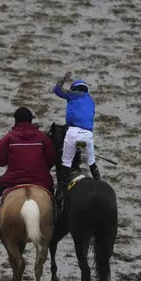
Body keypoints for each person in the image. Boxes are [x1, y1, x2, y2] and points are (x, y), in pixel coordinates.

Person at [0, 107, 57, 235]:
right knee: (54, 198)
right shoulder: (42, 138)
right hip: (40, 179)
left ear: (15, 120)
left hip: (13, 179)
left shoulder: (9, 138)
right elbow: (52, 158)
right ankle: (55, 222)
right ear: (31, 120)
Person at [52, 70, 100, 203]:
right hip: (87, 136)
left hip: (72, 134)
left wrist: (64, 77)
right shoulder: (91, 101)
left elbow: (57, 90)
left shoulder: (73, 95)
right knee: (91, 163)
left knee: (66, 163)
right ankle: (99, 183)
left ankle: (60, 193)